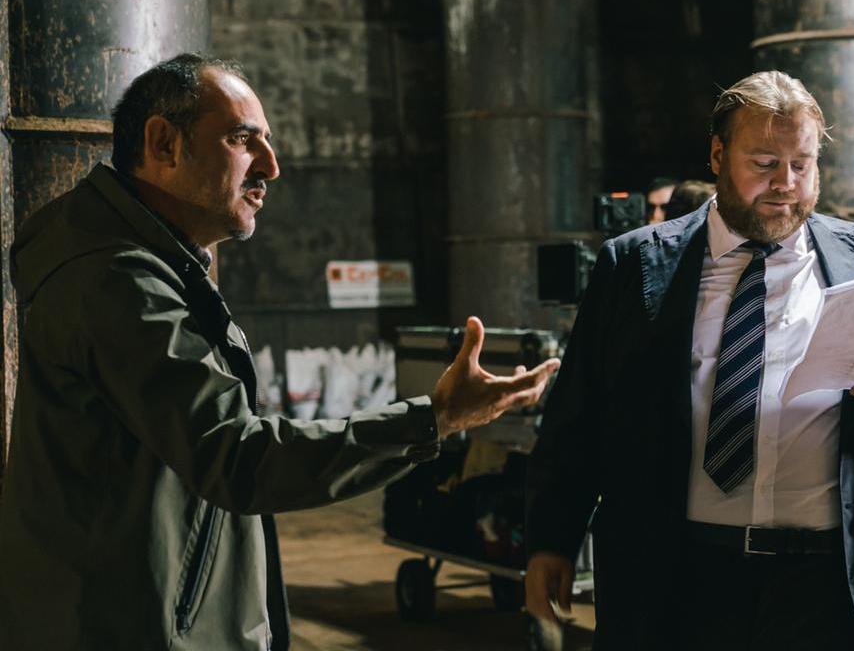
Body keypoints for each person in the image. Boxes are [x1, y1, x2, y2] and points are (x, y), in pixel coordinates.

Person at [0, 53, 560, 650]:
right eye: (244, 140)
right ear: (164, 143)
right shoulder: (118, 282)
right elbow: (238, 459)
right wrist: (434, 417)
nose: (272, 166)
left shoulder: (147, 268)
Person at [525, 70, 854, 649]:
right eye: (763, 163)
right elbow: (578, 413)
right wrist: (551, 539)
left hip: (835, 581)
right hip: (685, 576)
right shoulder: (633, 266)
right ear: (717, 154)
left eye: (801, 165)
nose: (786, 184)